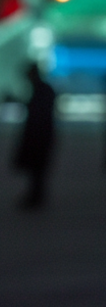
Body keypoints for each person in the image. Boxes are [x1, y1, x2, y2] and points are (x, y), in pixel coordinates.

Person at [12, 64, 56, 210]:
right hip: (40, 137)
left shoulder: (42, 90)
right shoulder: (43, 89)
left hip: (39, 138)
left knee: (37, 171)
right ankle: (36, 197)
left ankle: (35, 198)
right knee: (37, 172)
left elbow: (39, 114)